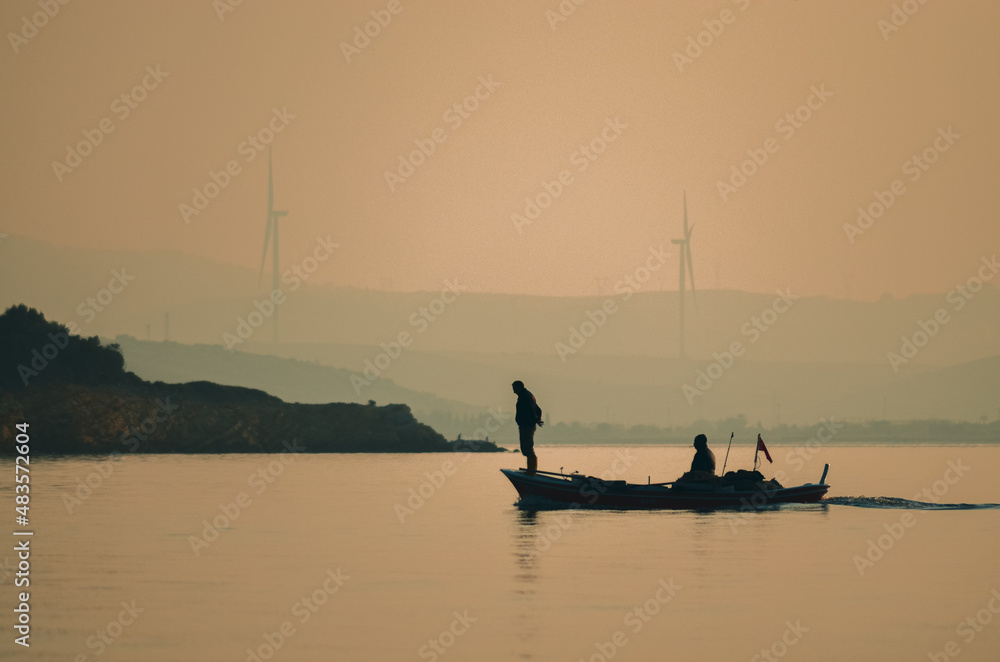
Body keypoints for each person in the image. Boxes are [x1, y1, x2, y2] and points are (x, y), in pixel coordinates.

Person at [512, 380, 543, 475]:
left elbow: (531, 411)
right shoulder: (529, 395)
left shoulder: (524, 397)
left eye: (514, 388)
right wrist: (537, 420)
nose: (513, 391)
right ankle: (531, 470)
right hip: (527, 425)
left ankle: (531, 471)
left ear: (519, 387)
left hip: (527, 426)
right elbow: (538, 410)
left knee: (527, 448)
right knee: (526, 448)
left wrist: (534, 420)